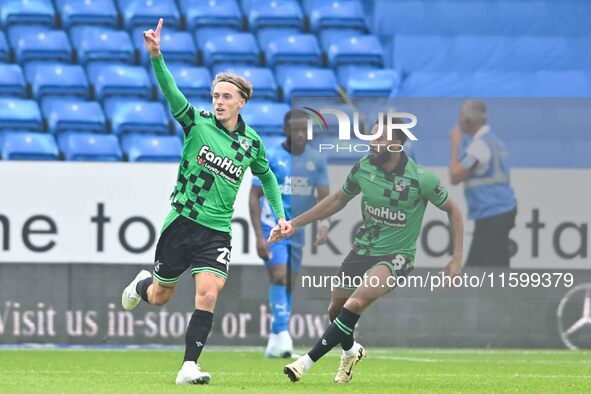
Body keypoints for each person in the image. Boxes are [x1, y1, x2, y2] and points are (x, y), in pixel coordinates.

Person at [120, 18, 290, 385]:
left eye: (226, 96)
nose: (219, 101)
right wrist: (156, 57)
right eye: (216, 96)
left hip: (216, 232)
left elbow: (268, 176)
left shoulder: (252, 143)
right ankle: (139, 287)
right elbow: (171, 93)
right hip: (182, 222)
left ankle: (188, 366)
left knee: (209, 293)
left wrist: (280, 215)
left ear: (242, 102)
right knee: (161, 294)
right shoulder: (197, 123)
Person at [268, 116, 464, 383]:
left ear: (396, 144)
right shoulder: (363, 168)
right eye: (371, 136)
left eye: (380, 138)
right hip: (363, 249)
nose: (372, 142)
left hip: (396, 257)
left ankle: (306, 361)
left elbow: (454, 210)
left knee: (355, 303)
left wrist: (457, 256)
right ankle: (351, 352)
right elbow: (337, 199)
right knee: (336, 311)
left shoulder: (421, 178)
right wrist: (293, 224)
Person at [248, 109, 330, 358]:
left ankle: (275, 337)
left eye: (304, 129)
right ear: (285, 130)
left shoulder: (316, 160)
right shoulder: (271, 156)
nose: (300, 133)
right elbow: (254, 196)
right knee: (280, 277)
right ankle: (284, 334)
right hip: (272, 226)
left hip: (297, 229)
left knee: (290, 284)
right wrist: (259, 236)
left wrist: (323, 225)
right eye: (295, 128)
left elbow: (324, 197)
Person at [449, 100, 517, 267]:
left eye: (461, 116)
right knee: (480, 266)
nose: (458, 121)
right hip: (496, 212)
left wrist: (455, 143)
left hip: (493, 213)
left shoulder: (479, 146)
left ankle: (503, 293)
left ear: (468, 120)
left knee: (492, 269)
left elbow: (455, 175)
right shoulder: (493, 141)